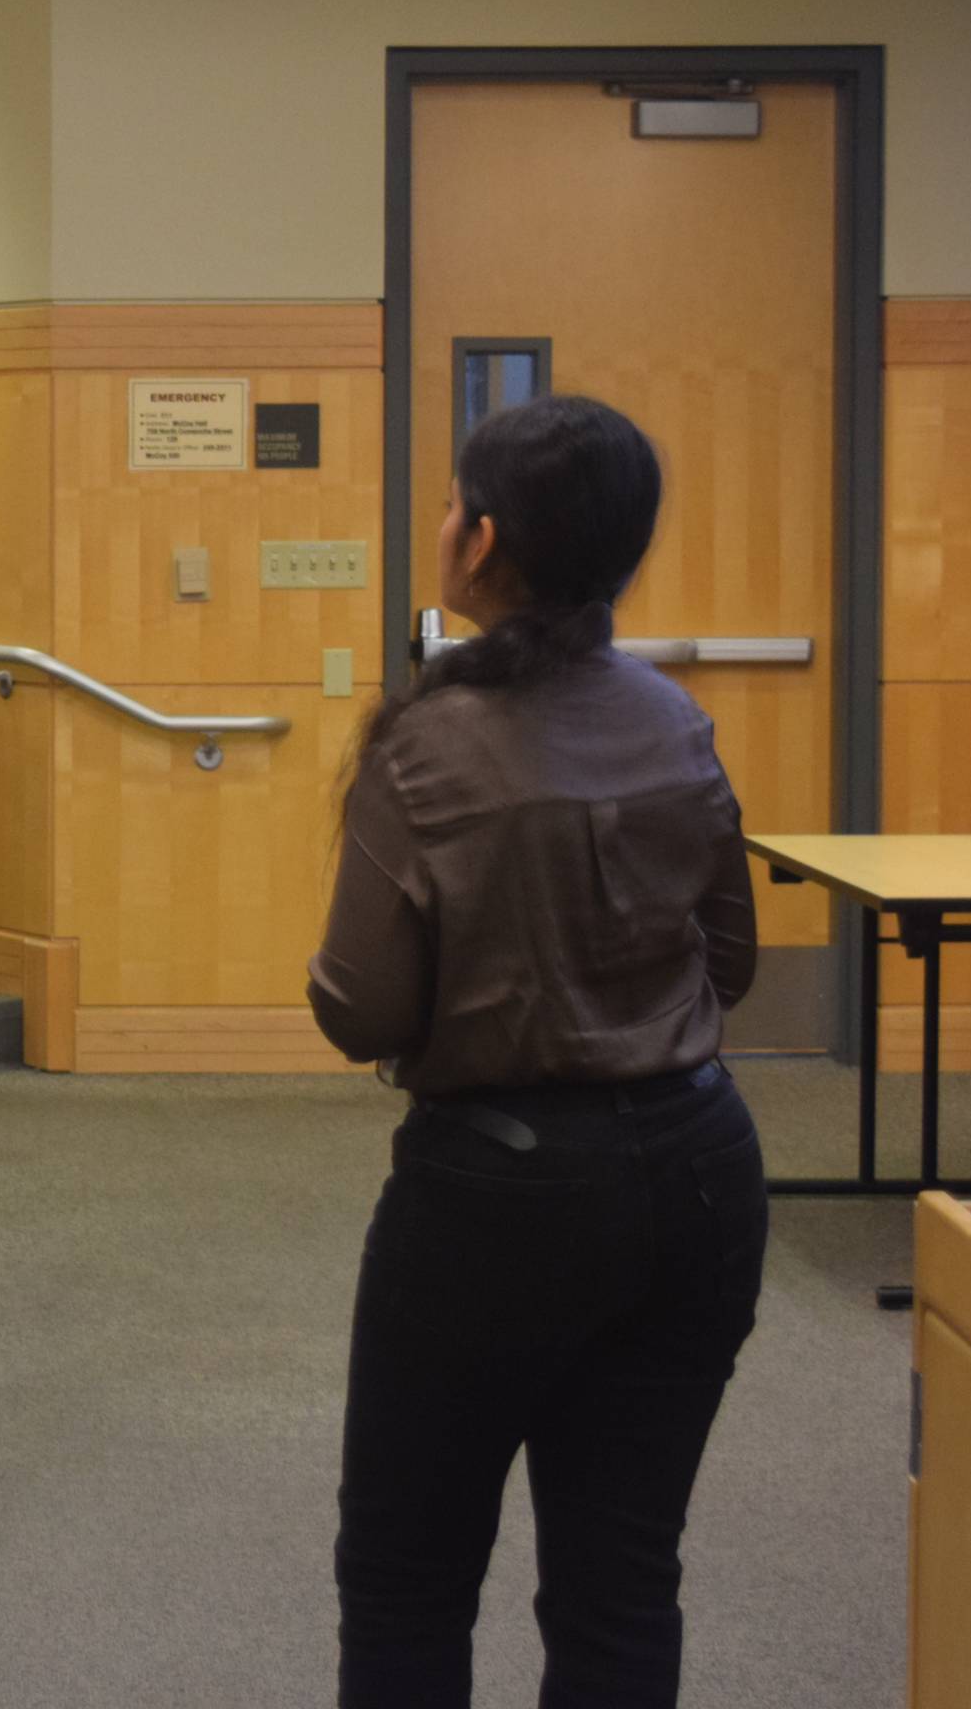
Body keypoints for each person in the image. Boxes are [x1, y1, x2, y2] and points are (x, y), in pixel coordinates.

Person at [308, 394, 766, 1709]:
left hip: (495, 1198)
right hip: (701, 1171)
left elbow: (360, 1009)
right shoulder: (675, 720)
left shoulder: (426, 744)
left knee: (407, 1581)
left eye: (455, 502)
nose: (445, 519)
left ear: (485, 540)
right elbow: (731, 962)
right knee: (623, 1583)